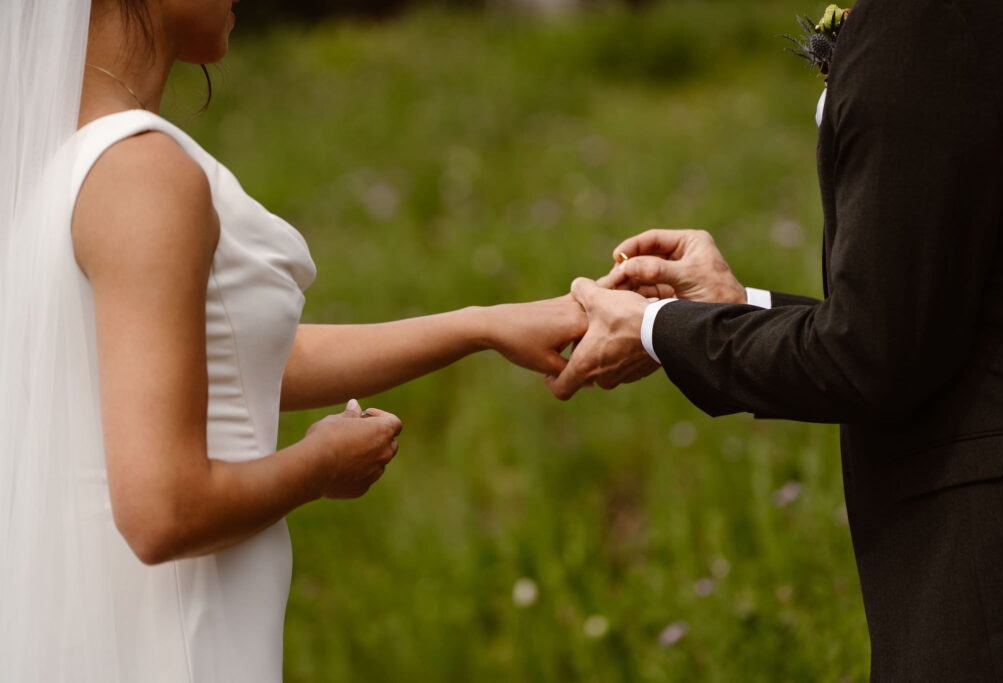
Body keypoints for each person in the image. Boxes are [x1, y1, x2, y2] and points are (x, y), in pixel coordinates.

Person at [0, 0, 586, 679]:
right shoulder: (141, 174)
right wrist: (320, 465)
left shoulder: (51, 169)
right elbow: (163, 511)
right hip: (176, 642)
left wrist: (480, 325)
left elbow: (228, 364)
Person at [549, 0, 1003, 679]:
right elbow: (917, 320)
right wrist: (737, 308)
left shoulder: (925, 23)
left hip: (989, 577)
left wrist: (658, 330)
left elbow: (872, 358)